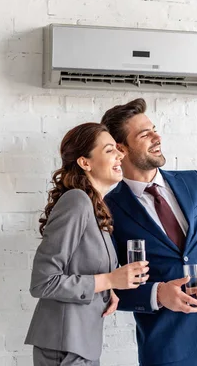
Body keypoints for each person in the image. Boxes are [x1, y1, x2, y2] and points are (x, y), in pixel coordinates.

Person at [100, 98, 197, 366]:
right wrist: (158, 293)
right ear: (120, 149)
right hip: (165, 346)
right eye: (145, 134)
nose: (157, 137)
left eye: (154, 128)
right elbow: (106, 285)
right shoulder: (108, 209)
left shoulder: (194, 182)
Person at [25, 122, 150, 366]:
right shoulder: (76, 201)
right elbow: (43, 282)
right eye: (109, 150)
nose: (120, 154)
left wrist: (108, 289)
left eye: (118, 149)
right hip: (64, 347)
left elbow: (81, 268)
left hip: (80, 345)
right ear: (85, 162)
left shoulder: (95, 208)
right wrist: (109, 280)